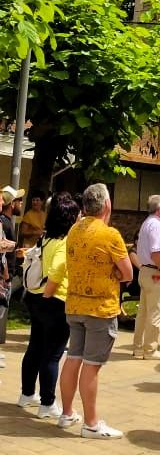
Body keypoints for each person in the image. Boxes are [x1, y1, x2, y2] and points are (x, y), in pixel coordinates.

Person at [54, 183, 131, 438]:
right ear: (106, 205)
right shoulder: (110, 235)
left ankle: (66, 413)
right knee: (91, 364)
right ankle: (91, 422)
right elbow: (127, 272)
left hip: (74, 305)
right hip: (100, 308)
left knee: (73, 358)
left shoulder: (74, 230)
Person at [17, 191, 78, 419]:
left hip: (35, 298)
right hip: (54, 301)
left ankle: (26, 394)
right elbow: (57, 271)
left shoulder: (46, 238)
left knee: (35, 346)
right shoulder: (64, 241)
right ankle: (47, 403)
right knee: (52, 354)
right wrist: (49, 294)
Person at [133, 193, 160, 360]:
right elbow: (156, 253)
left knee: (143, 312)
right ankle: (150, 350)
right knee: (154, 312)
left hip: (145, 271)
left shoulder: (148, 223)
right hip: (155, 271)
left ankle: (138, 348)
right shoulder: (156, 225)